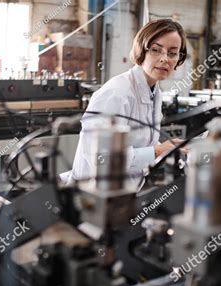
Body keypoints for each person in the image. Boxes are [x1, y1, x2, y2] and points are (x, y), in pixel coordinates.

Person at [61, 19, 187, 185]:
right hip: (90, 195)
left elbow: (139, 141)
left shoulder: (155, 92)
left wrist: (166, 147)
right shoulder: (117, 93)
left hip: (123, 195)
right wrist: (155, 152)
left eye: (172, 53)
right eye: (156, 50)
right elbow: (100, 158)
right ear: (142, 50)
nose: (165, 59)